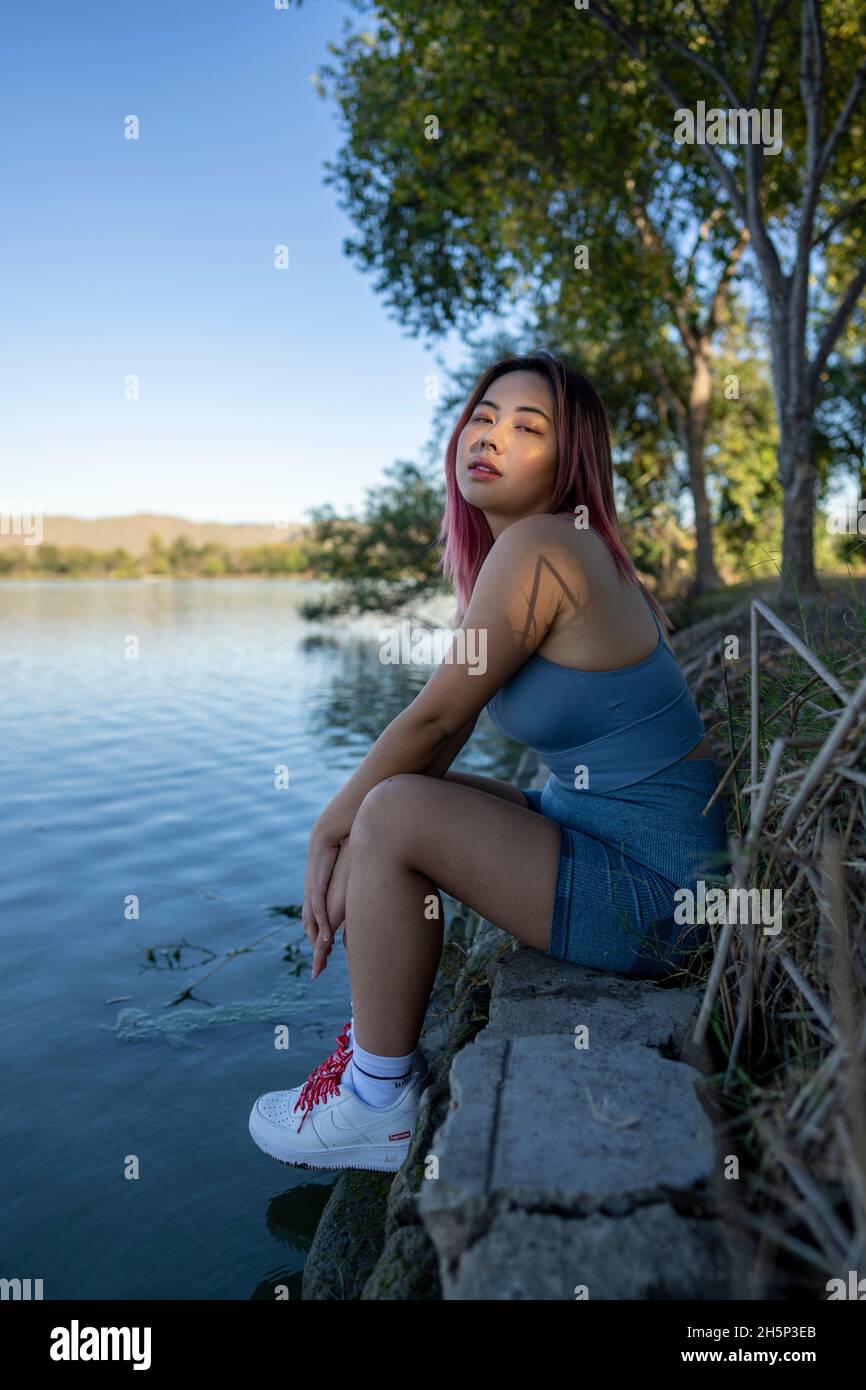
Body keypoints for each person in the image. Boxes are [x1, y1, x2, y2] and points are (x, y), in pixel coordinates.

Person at [249, 348, 730, 1172]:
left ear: (568, 460)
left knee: (392, 811)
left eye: (526, 426)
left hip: (665, 894)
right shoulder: (546, 551)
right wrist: (360, 837)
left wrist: (329, 831)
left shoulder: (545, 547)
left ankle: (376, 1102)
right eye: (481, 416)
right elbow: (440, 738)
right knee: (393, 807)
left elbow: (439, 720)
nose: (491, 436)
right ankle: (372, 1055)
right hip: (613, 835)